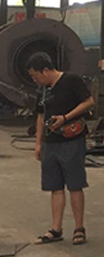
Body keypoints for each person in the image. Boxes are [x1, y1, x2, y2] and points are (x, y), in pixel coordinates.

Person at [26, 52, 94, 245]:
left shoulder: (71, 80)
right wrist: (38, 143)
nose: (34, 80)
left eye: (35, 75)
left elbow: (89, 101)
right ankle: (56, 229)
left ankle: (79, 228)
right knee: (55, 186)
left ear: (45, 70)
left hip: (71, 142)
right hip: (50, 144)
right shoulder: (43, 90)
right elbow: (40, 117)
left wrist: (65, 118)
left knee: (75, 185)